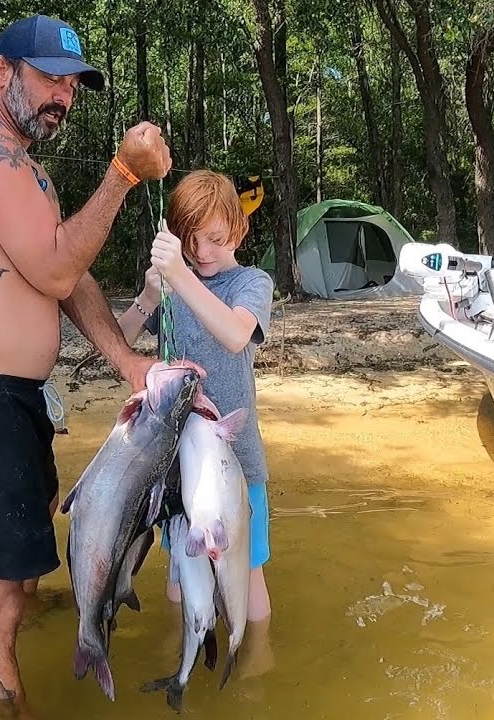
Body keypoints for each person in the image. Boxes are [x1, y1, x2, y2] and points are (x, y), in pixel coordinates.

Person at [0, 13, 187, 716]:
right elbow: (59, 266)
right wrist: (123, 174)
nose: (63, 96)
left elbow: (71, 279)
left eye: (72, 85)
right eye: (49, 79)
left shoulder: (25, 170)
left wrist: (126, 360)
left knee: (24, 583)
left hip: (13, 404)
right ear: (1, 70)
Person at [117, 170, 275, 627]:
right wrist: (150, 294)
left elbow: (234, 334)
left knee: (245, 574)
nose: (202, 252)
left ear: (238, 230)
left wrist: (180, 275)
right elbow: (118, 340)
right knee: (180, 579)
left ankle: (256, 667)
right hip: (176, 464)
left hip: (238, 464)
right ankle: (185, 661)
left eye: (215, 238)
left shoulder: (252, 282)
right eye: (190, 241)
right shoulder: (171, 284)